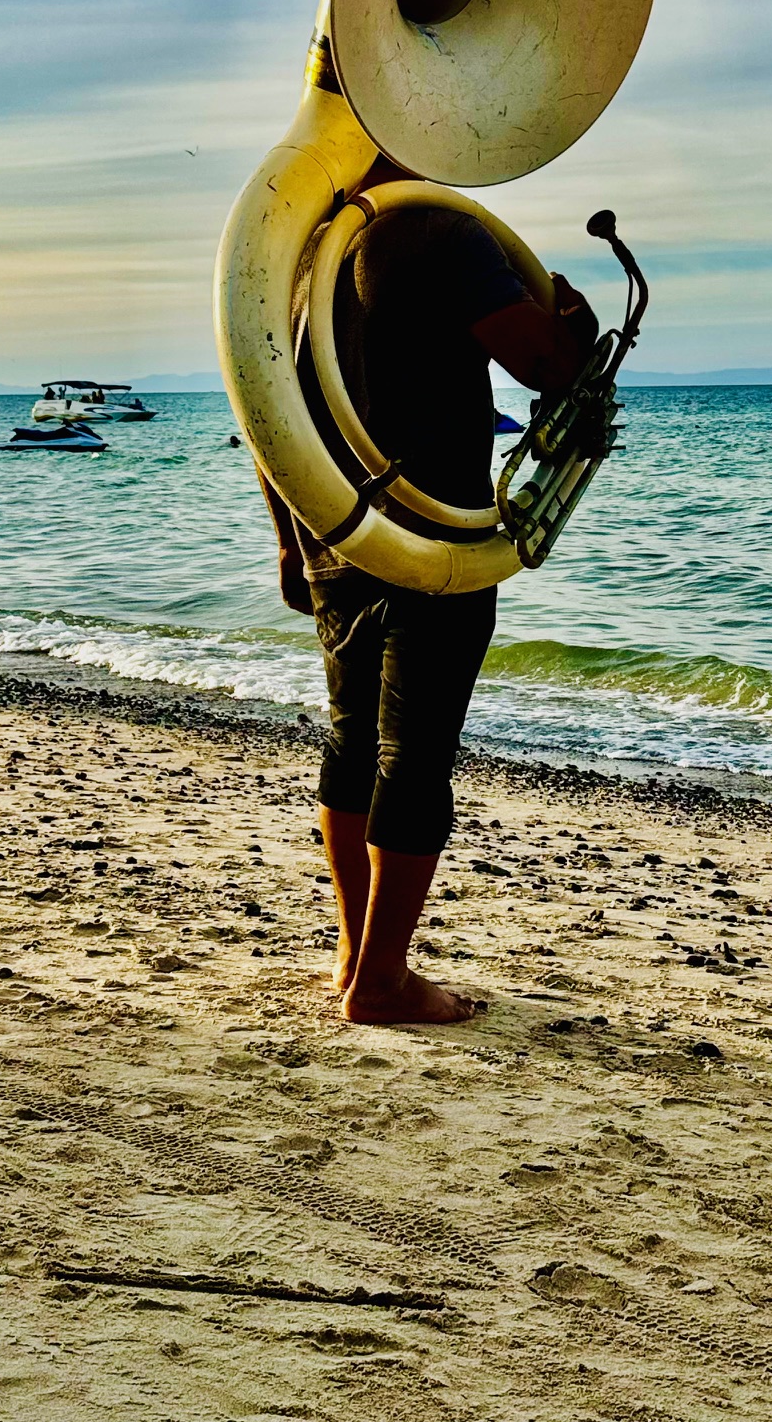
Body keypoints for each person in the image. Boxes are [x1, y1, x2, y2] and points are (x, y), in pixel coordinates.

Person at [259, 174, 597, 1026]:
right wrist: (576, 326)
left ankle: (353, 956)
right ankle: (382, 982)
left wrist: (287, 541)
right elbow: (546, 365)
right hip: (433, 538)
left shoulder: (299, 250)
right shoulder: (440, 228)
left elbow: (267, 408)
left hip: (332, 526)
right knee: (415, 757)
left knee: (353, 744)